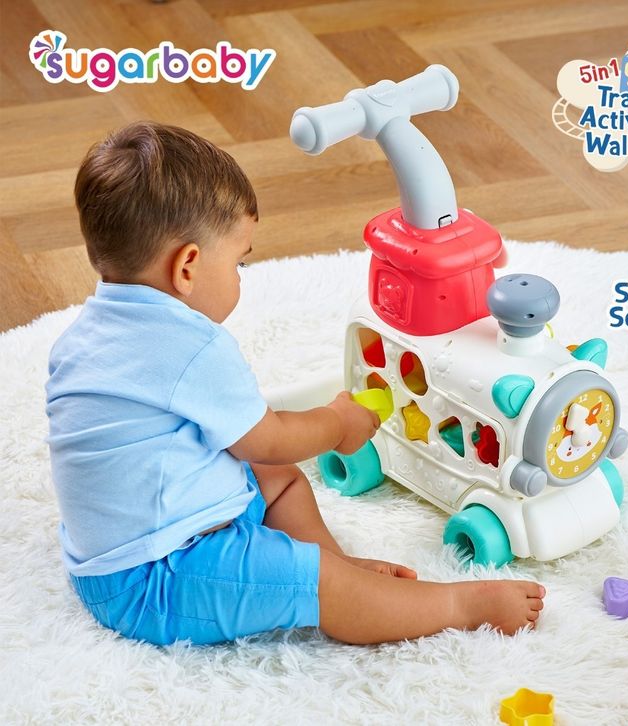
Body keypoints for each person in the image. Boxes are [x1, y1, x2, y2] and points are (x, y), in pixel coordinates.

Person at [46, 121, 545, 647]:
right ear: (187, 267)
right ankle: (449, 605)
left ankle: (337, 567)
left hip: (118, 554)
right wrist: (338, 424)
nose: (240, 275)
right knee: (316, 571)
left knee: (278, 480)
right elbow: (268, 438)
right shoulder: (191, 347)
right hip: (159, 575)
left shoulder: (83, 336)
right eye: (239, 262)